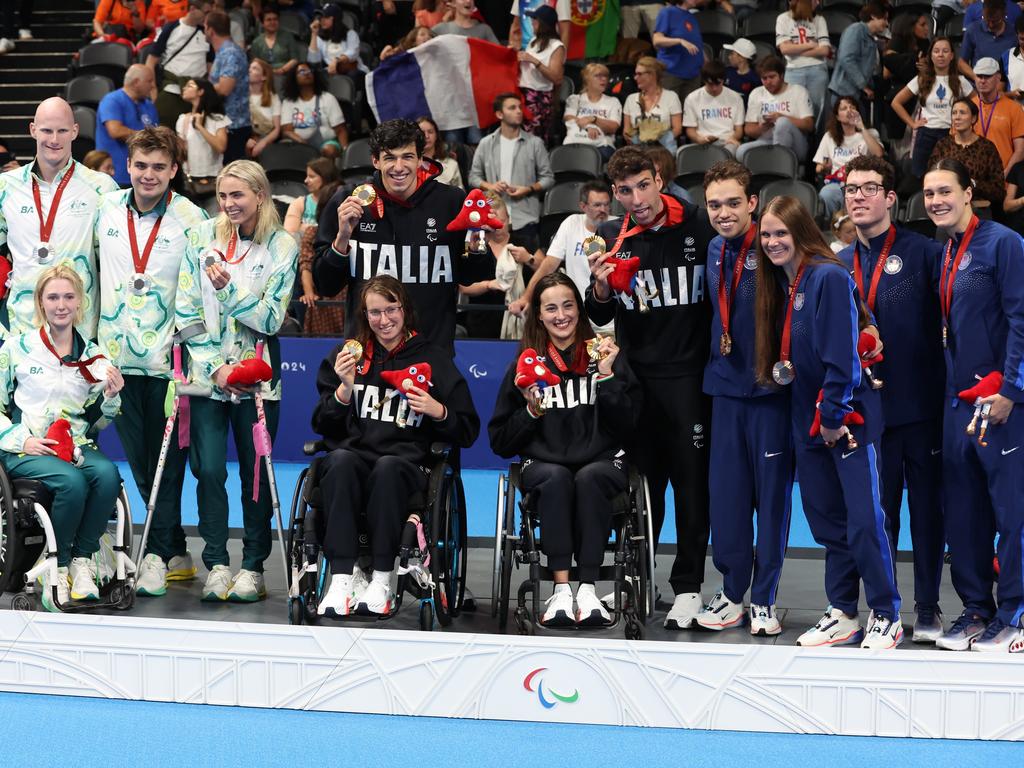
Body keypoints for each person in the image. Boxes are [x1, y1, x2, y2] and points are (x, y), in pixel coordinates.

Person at [752, 195, 902, 649]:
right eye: (766, 235)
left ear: (802, 232)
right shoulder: (783, 282)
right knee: (827, 523)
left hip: (845, 419)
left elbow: (842, 356)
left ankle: (886, 611)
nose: (773, 241)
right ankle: (843, 610)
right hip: (806, 420)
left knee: (863, 520)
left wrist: (834, 414)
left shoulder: (828, 276)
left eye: (782, 232)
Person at [584, 146, 717, 631]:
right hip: (636, 381)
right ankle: (640, 577)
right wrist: (599, 290)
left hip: (690, 380)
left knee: (690, 487)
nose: (636, 198)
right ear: (613, 193)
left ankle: (688, 588)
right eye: (624, 190)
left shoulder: (699, 225)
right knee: (643, 488)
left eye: (643, 185)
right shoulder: (608, 236)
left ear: (658, 178)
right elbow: (598, 316)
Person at [312, 275, 480, 616]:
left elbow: (468, 430)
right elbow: (320, 423)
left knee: (388, 467)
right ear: (364, 314)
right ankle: (342, 578)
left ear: (405, 310)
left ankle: (383, 579)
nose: (384, 320)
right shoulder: (348, 356)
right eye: (375, 312)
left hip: (406, 465)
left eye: (391, 310)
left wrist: (439, 411)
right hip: (356, 460)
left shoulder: (433, 359)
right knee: (340, 461)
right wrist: (344, 390)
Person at [175, 160, 299, 602]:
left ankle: (252, 566)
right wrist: (216, 368)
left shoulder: (283, 245)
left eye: (238, 195)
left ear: (260, 196)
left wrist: (228, 289)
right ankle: (215, 563)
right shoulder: (199, 238)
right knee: (208, 471)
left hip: (259, 377)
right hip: (208, 377)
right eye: (223, 196)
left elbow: (270, 318)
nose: (228, 204)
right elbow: (186, 313)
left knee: (255, 475)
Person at [837, 154, 947, 643]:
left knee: (926, 515)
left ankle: (928, 609)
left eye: (868, 187)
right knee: (875, 518)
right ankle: (884, 609)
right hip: (866, 414)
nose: (857, 196)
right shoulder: (837, 264)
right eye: (850, 188)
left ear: (890, 198)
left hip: (920, 407)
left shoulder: (924, 252)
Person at [94, 126, 207, 597]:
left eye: (159, 166)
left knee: (167, 465)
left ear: (174, 170)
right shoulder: (105, 211)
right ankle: (175, 547)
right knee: (140, 462)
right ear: (128, 165)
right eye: (141, 165)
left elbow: (202, 292)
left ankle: (158, 555)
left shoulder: (192, 218)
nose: (148, 175)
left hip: (166, 364)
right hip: (115, 364)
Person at [489, 273, 640, 626]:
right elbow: (500, 442)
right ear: (538, 315)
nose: (561, 315)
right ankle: (561, 590)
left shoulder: (605, 356)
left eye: (568, 305)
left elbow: (629, 425)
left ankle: (586, 589)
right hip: (544, 464)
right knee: (556, 478)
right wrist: (529, 411)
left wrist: (606, 378)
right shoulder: (525, 367)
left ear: (580, 310)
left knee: (589, 477)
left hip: (602, 461)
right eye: (551, 308)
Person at [922, 157, 1024, 652]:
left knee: (1012, 513)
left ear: (968, 193)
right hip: (958, 402)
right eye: (929, 193)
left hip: (1001, 400)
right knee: (962, 512)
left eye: (945, 191)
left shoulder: (1004, 243)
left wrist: (1013, 390)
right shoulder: (947, 250)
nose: (936, 201)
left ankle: (1016, 613)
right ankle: (977, 608)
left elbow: (1022, 318)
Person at [696, 160, 793, 636]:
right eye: (714, 204)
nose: (724, 212)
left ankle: (765, 599)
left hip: (769, 391)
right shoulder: (713, 249)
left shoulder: (775, 246)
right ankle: (733, 592)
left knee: (771, 501)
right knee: (728, 500)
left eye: (733, 202)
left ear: (751, 203)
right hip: (725, 392)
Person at [0, 264, 125, 611]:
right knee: (71, 483)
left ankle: (83, 562)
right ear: (41, 302)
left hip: (75, 445)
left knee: (108, 475)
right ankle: (59, 566)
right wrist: (19, 439)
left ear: (80, 302)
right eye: (53, 297)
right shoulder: (17, 348)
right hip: (26, 446)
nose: (61, 304)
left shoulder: (94, 357)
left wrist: (113, 397)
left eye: (68, 296)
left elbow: (100, 421)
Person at [314, 119, 478, 351]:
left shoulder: (451, 202)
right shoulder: (348, 201)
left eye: (407, 157)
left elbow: (474, 275)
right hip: (367, 358)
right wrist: (342, 238)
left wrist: (477, 237)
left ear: (421, 159)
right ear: (375, 161)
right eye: (390, 157)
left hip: (432, 356)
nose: (399, 167)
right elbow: (325, 286)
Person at [0, 97, 119, 337]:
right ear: (33, 130)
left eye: (62, 131)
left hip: (81, 328)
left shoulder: (102, 188)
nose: (54, 140)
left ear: (75, 131)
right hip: (23, 329)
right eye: (46, 130)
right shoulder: (5, 187)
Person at [509, 180, 613, 324]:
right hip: (577, 318)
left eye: (606, 204)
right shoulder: (571, 224)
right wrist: (526, 297)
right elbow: (549, 265)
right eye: (597, 205)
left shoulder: (618, 226)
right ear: (583, 206)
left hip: (610, 318)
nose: (603, 210)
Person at [468, 93, 555, 254]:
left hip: (525, 217)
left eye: (520, 107)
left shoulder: (535, 143)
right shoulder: (486, 143)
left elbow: (548, 178)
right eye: (512, 108)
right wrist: (491, 186)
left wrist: (528, 189)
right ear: (500, 114)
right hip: (492, 216)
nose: (519, 111)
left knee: (526, 268)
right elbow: (473, 177)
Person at [891, 36, 974, 180]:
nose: (940, 55)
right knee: (921, 177)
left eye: (945, 51)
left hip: (952, 135)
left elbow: (977, 104)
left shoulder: (960, 81)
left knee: (951, 177)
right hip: (926, 135)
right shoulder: (921, 79)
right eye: (936, 51)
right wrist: (912, 123)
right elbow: (896, 102)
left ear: (952, 56)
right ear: (931, 55)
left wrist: (967, 123)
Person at [813, 96, 885, 219]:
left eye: (852, 107)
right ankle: (833, 228)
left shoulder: (870, 133)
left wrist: (861, 127)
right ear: (837, 116)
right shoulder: (829, 136)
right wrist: (824, 167)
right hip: (837, 182)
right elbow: (818, 167)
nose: (849, 110)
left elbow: (879, 154)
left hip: (861, 181)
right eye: (844, 108)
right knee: (826, 193)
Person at [928, 97, 1005, 207]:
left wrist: (974, 184)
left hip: (977, 208)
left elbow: (998, 191)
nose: (957, 117)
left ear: (973, 119)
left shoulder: (987, 148)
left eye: (962, 113)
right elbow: (930, 178)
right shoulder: (943, 145)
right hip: (947, 206)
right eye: (954, 113)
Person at [145, 0, 211, 130]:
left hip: (197, 95)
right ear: (192, 9)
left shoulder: (205, 33)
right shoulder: (171, 28)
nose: (208, 17)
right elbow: (151, 61)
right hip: (171, 90)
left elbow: (210, 66)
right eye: (206, 12)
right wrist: (153, 92)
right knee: (162, 136)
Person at [737, 56, 814, 164]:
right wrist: (762, 127)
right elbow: (749, 129)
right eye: (764, 78)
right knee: (741, 151)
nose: (768, 82)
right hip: (767, 140)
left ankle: (779, 164)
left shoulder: (798, 91)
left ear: (782, 75)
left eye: (772, 77)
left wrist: (781, 117)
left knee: (782, 123)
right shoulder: (756, 93)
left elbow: (809, 125)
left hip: (796, 143)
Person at [96, 65, 159, 188]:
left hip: (144, 177)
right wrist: (147, 136)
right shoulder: (112, 100)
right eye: (149, 81)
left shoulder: (149, 105)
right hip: (115, 176)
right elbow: (116, 131)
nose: (152, 86)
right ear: (136, 82)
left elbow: (157, 136)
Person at [776, 0, 831, 133]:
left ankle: (818, 146)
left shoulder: (819, 20)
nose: (817, 3)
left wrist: (795, 49)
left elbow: (825, 50)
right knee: (794, 110)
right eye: (814, 0)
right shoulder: (783, 19)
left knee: (819, 110)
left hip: (817, 69)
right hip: (793, 70)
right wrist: (811, 45)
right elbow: (784, 49)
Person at [828, 2, 890, 116]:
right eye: (884, 19)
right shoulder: (856, 30)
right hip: (843, 93)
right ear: (873, 16)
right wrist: (864, 86)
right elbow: (847, 59)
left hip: (856, 95)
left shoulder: (872, 37)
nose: (886, 23)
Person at [205, 9, 250, 163]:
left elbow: (224, 88)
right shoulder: (222, 52)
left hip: (234, 125)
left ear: (210, 30)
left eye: (205, 27)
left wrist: (202, 90)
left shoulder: (231, 53)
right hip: (224, 123)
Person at [516, 5, 565, 144]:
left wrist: (534, 61)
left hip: (539, 98)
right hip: (523, 93)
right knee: (521, 137)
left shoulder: (557, 46)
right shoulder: (533, 41)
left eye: (535, 20)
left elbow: (556, 78)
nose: (532, 23)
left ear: (543, 23)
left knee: (534, 140)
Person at [175, 78, 231, 199]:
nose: (184, 88)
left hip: (213, 179)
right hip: (189, 180)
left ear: (200, 91)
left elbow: (221, 147)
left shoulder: (217, 119)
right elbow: (181, 153)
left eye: (190, 86)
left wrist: (200, 127)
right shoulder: (183, 119)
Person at [280, 64, 349, 158]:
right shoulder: (288, 102)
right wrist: (303, 144)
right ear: (293, 78)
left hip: (326, 143)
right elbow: (287, 131)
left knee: (329, 150)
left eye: (310, 71)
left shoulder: (327, 98)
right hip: (299, 144)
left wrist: (346, 153)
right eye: (302, 71)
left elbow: (341, 130)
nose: (307, 73)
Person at [971, 57, 1024, 175]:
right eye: (979, 76)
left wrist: (1005, 174)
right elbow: (957, 144)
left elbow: (1020, 150)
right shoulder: (966, 108)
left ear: (998, 77)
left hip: (1003, 179)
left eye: (987, 76)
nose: (982, 80)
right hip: (972, 179)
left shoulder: (1014, 108)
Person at [683, 60, 745, 157]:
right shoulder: (692, 98)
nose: (714, 88)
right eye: (710, 84)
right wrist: (698, 139)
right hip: (702, 141)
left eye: (718, 84)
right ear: (704, 81)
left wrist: (733, 138)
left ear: (723, 80)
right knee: (681, 153)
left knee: (728, 152)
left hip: (727, 141)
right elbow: (690, 130)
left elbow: (739, 130)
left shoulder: (735, 98)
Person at [622, 57, 684, 152]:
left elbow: (677, 128)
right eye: (636, 74)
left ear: (652, 75)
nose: (635, 78)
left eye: (639, 74)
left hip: (663, 148)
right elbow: (626, 130)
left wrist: (656, 143)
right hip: (638, 148)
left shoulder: (671, 97)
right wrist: (636, 140)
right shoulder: (631, 99)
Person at [562, 63, 621, 161]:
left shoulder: (613, 101)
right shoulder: (575, 99)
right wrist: (588, 127)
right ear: (587, 79)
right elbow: (568, 118)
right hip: (576, 143)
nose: (604, 79)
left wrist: (593, 119)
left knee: (589, 158)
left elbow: (613, 127)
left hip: (602, 146)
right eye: (598, 76)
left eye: (605, 76)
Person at [652, 0, 704, 104]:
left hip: (693, 75)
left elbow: (696, 44)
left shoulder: (692, 17)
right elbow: (657, 40)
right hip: (672, 73)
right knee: (668, 111)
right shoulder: (667, 12)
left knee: (689, 115)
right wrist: (679, 41)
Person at [307, 3, 367, 76]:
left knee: (353, 75)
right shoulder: (320, 37)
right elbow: (313, 61)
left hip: (352, 70)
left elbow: (353, 53)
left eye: (326, 17)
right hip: (331, 71)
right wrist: (314, 34)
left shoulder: (350, 34)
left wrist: (336, 60)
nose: (322, 20)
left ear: (335, 18)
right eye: (320, 17)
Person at [285, 156, 339, 235]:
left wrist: (304, 228)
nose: (306, 181)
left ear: (325, 177)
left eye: (311, 176)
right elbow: (289, 233)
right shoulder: (299, 203)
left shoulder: (338, 202)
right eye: (307, 176)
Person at [961, 0, 1016, 74]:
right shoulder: (973, 30)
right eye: (987, 20)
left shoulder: (1015, 33)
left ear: (1004, 15)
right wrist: (976, 78)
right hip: (979, 80)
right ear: (983, 12)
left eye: (995, 21)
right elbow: (961, 62)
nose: (990, 25)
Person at [250, 4, 304, 78]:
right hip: (264, 77)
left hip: (286, 75)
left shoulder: (287, 36)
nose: (272, 22)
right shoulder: (256, 42)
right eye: (269, 20)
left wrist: (282, 70)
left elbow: (294, 59)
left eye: (275, 19)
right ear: (262, 23)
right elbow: (255, 63)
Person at [247, 58, 283, 159]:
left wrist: (263, 143)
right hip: (246, 138)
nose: (249, 70)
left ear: (264, 77)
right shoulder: (240, 97)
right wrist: (245, 140)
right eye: (249, 68)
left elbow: (276, 129)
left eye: (255, 68)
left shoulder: (273, 98)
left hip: (267, 139)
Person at [417, 116, 463, 188]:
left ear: (436, 135)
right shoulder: (410, 165)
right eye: (422, 133)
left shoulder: (452, 164)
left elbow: (461, 195)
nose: (426, 136)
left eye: (430, 132)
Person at [433, 0, 500, 43]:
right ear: (453, 3)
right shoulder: (440, 29)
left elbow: (499, 54)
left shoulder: (484, 29)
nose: (468, 1)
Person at [723, 38, 761, 106]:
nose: (729, 57)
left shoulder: (755, 79)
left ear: (741, 58)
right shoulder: (727, 72)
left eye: (732, 54)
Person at [1001, 15, 1024, 95]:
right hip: (1014, 106)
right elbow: (999, 93)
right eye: (1022, 39)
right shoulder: (1006, 57)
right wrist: (1011, 94)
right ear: (1016, 36)